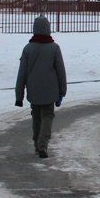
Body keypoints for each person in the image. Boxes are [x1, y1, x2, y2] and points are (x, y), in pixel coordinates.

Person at [15, 16, 67, 158]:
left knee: (36, 116)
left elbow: (22, 74)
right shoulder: (54, 48)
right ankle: (43, 144)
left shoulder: (28, 49)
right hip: (51, 90)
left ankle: (36, 143)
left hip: (33, 90)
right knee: (48, 115)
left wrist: (19, 96)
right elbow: (60, 71)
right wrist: (63, 90)